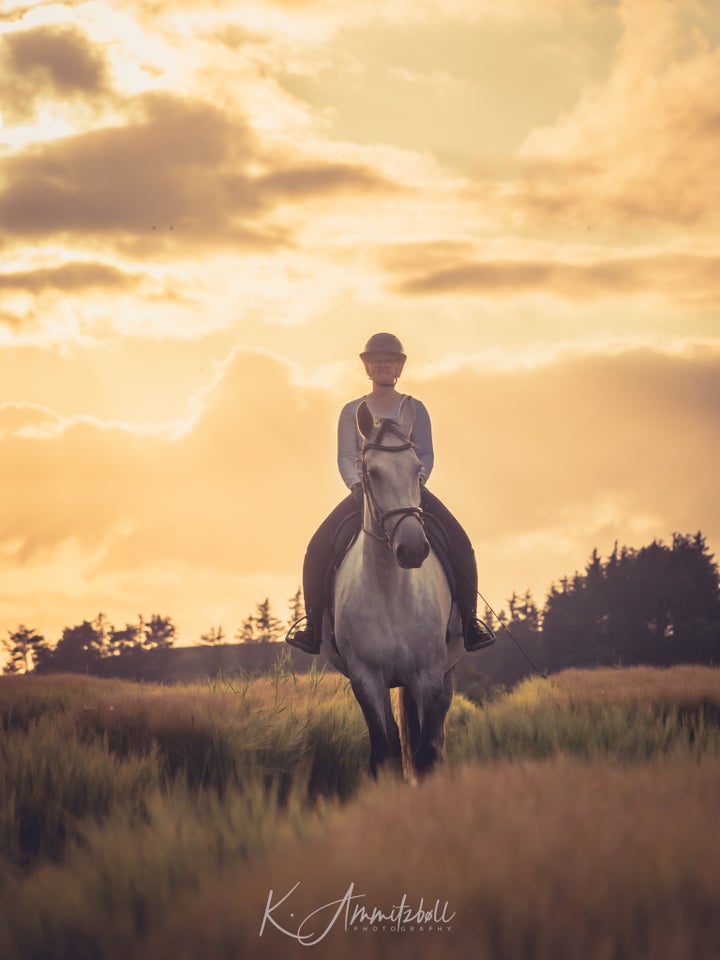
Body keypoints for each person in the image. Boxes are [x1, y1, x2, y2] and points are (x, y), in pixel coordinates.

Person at [287, 332, 495, 654]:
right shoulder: (352, 411)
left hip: (409, 492)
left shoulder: (415, 408)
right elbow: (345, 455)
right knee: (316, 547)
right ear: (368, 368)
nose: (383, 365)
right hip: (365, 491)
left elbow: (425, 452)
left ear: (399, 368)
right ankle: (313, 628)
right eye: (376, 361)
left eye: (389, 361)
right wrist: (355, 485)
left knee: (460, 542)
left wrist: (414, 482)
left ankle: (470, 624)